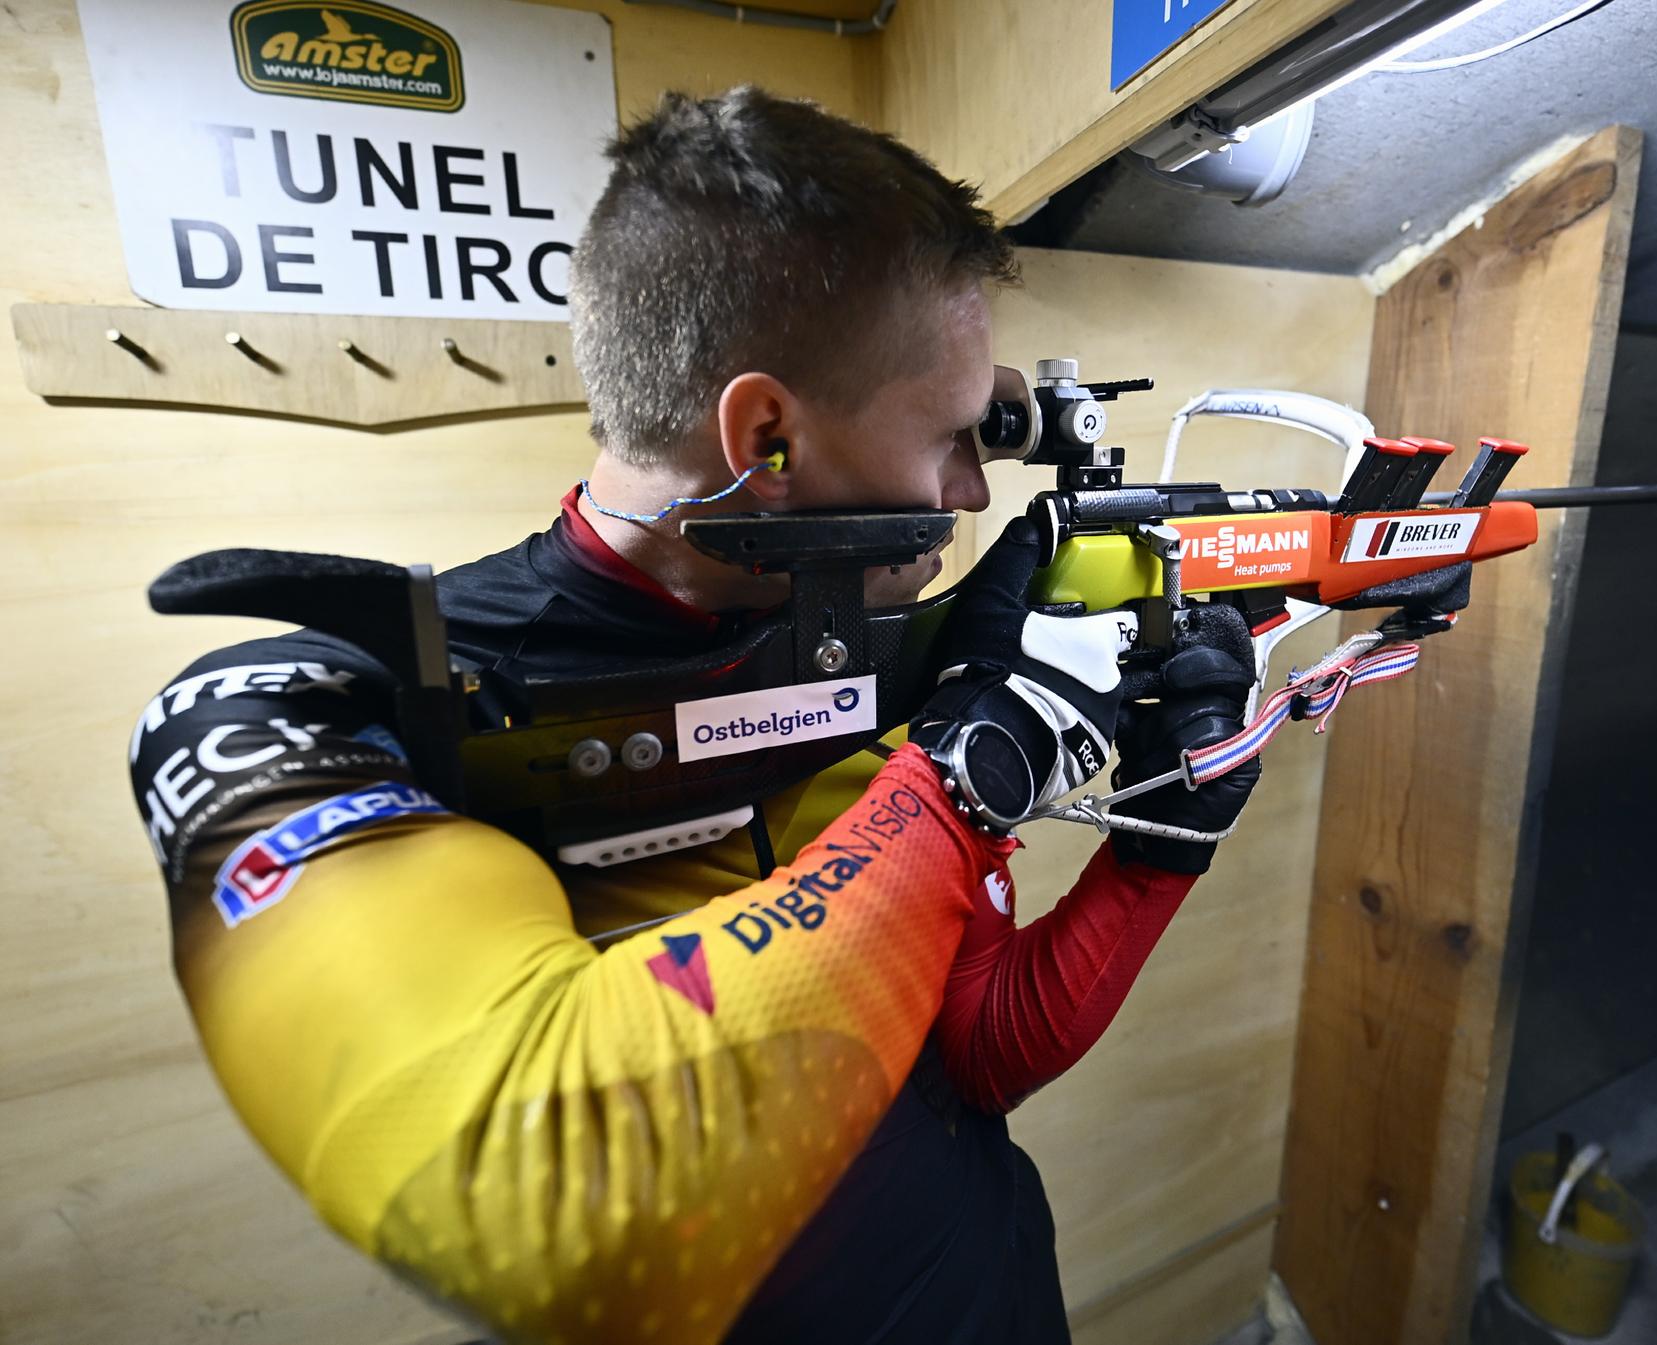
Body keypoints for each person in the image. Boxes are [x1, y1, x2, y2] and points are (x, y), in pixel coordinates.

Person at [127, 87, 1262, 1345]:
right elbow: (527, 1181)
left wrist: (1158, 854)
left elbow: (967, 1060)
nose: (973, 488)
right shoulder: (321, 704)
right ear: (764, 437)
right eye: (950, 436)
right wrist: (973, 769)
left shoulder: (874, 658)